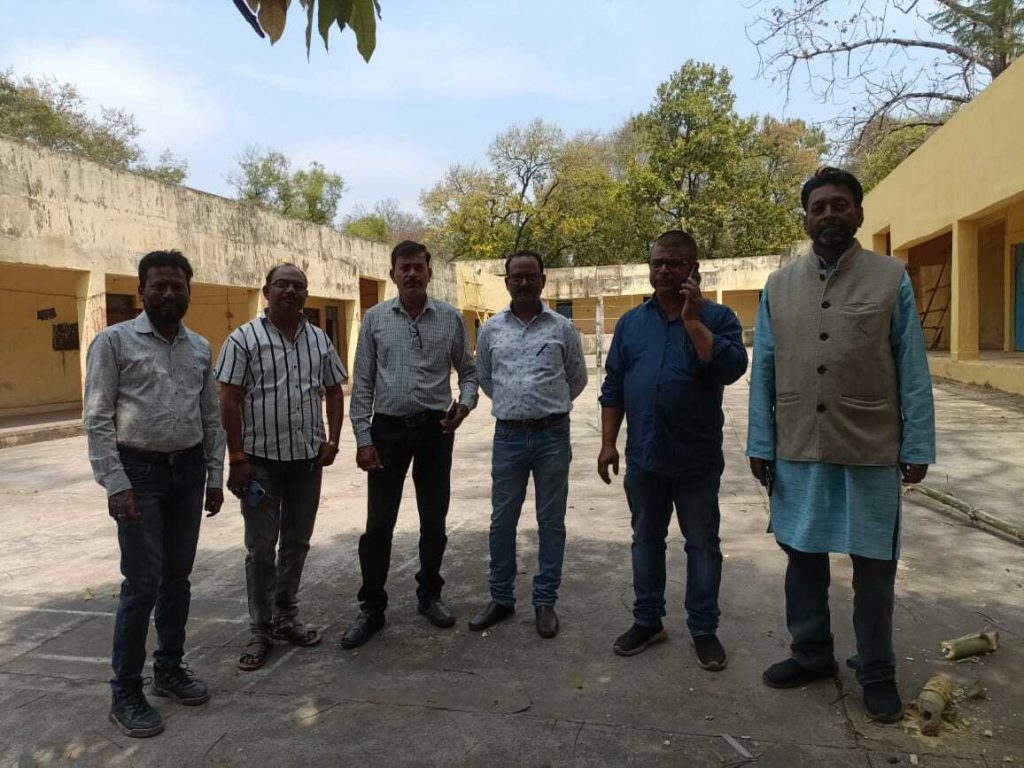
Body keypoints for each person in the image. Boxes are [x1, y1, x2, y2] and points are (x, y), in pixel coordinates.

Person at [747, 167, 935, 722]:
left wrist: (917, 443)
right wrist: (761, 442)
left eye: (839, 204)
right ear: (806, 219)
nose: (829, 214)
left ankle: (876, 671)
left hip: (869, 447)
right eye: (818, 207)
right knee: (802, 558)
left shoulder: (890, 278)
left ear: (858, 213)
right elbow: (765, 371)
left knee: (874, 567)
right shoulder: (779, 286)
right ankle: (811, 654)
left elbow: (912, 366)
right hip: (797, 446)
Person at [84, 250, 225, 738]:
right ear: (141, 290)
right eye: (158, 285)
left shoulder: (200, 347)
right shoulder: (114, 342)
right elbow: (97, 416)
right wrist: (115, 482)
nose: (168, 293)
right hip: (138, 475)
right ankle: (125, 691)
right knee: (142, 583)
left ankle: (168, 669)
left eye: (177, 286)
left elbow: (210, 417)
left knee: (177, 579)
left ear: (189, 292)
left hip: (188, 472)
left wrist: (214, 476)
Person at [598, 230, 747, 669]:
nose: (664, 270)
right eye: (658, 262)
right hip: (645, 456)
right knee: (646, 540)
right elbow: (613, 386)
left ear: (693, 269)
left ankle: (703, 629)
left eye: (675, 263)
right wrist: (607, 443)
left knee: (702, 545)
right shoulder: (630, 324)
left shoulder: (718, 317)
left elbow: (732, 369)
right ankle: (648, 621)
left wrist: (694, 322)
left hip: (696, 459)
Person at [341, 240, 478, 649]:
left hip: (436, 430)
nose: (413, 274)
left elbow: (469, 373)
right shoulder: (375, 319)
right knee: (378, 524)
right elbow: (362, 384)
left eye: (419, 267)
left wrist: (464, 407)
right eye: (405, 267)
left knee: (434, 519)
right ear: (393, 274)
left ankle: (429, 595)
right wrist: (363, 439)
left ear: (429, 272)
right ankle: (372, 607)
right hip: (387, 431)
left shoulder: (450, 318)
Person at [215, 264, 347, 671]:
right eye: (282, 285)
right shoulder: (243, 339)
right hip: (260, 467)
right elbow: (229, 400)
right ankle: (260, 629)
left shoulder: (319, 339)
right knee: (260, 550)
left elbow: (334, 391)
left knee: (296, 543)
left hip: (307, 462)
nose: (290, 291)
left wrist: (333, 440)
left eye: (298, 286)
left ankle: (286, 616)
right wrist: (237, 459)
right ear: (266, 291)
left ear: (306, 294)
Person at [468, 250, 588, 639]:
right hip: (508, 437)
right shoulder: (490, 330)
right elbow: (486, 378)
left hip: (553, 434)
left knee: (551, 522)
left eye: (530, 275)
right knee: (502, 520)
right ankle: (501, 598)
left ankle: (544, 600)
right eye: (516, 276)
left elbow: (577, 378)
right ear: (507, 282)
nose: (523, 282)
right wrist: (516, 404)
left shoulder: (562, 327)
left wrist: (544, 405)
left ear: (542, 280)